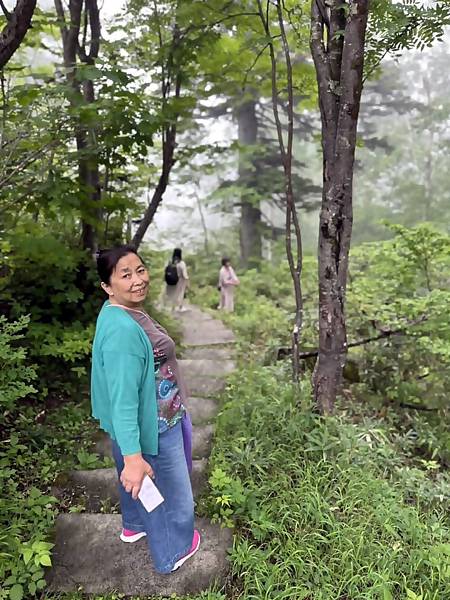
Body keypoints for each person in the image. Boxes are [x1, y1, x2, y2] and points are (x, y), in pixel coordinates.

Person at [91, 245, 200, 575]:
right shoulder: (123, 331)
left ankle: (134, 524)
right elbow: (124, 399)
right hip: (153, 424)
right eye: (125, 275)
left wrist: (129, 454)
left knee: (133, 482)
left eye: (140, 270)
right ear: (107, 286)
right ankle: (175, 550)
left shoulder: (118, 311)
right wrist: (135, 457)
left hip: (150, 418)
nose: (137, 280)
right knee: (173, 496)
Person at [164, 248, 189, 312]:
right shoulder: (181, 263)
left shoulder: (170, 262)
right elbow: (185, 275)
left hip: (171, 280)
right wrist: (187, 282)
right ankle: (180, 307)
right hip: (180, 281)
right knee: (180, 294)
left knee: (172, 294)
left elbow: (166, 270)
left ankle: (171, 308)